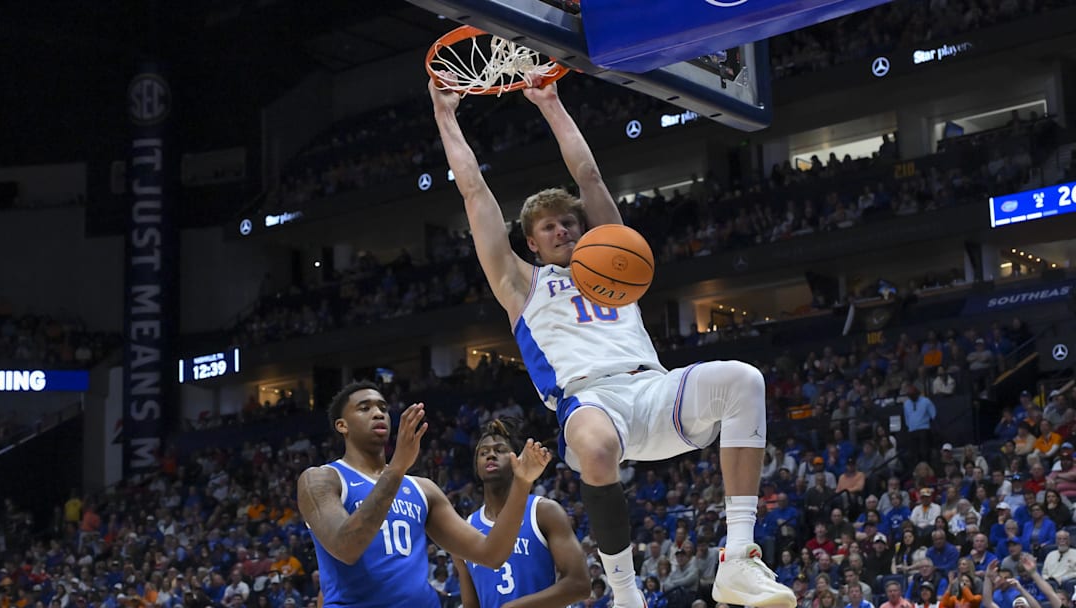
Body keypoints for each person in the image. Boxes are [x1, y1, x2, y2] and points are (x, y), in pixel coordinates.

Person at [429, 75, 794, 608]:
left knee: (745, 380)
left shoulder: (614, 263)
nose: (562, 231)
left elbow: (589, 174)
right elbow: (474, 192)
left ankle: (738, 559)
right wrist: (445, 115)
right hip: (588, 403)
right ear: (530, 241)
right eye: (549, 227)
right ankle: (626, 594)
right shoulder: (520, 283)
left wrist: (550, 102)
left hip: (652, 389)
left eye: (569, 222)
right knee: (597, 445)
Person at [297, 380, 551, 608]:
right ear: (342, 425)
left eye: (383, 408)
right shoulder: (322, 479)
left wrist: (522, 483)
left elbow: (491, 554)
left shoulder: (422, 488)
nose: (378, 413)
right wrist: (397, 467)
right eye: (365, 408)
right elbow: (346, 547)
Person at [454, 419, 590, 608]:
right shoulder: (465, 530)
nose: (491, 455)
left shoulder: (543, 512)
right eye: (483, 453)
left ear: (515, 460)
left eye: (499, 450)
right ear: (476, 466)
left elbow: (579, 584)